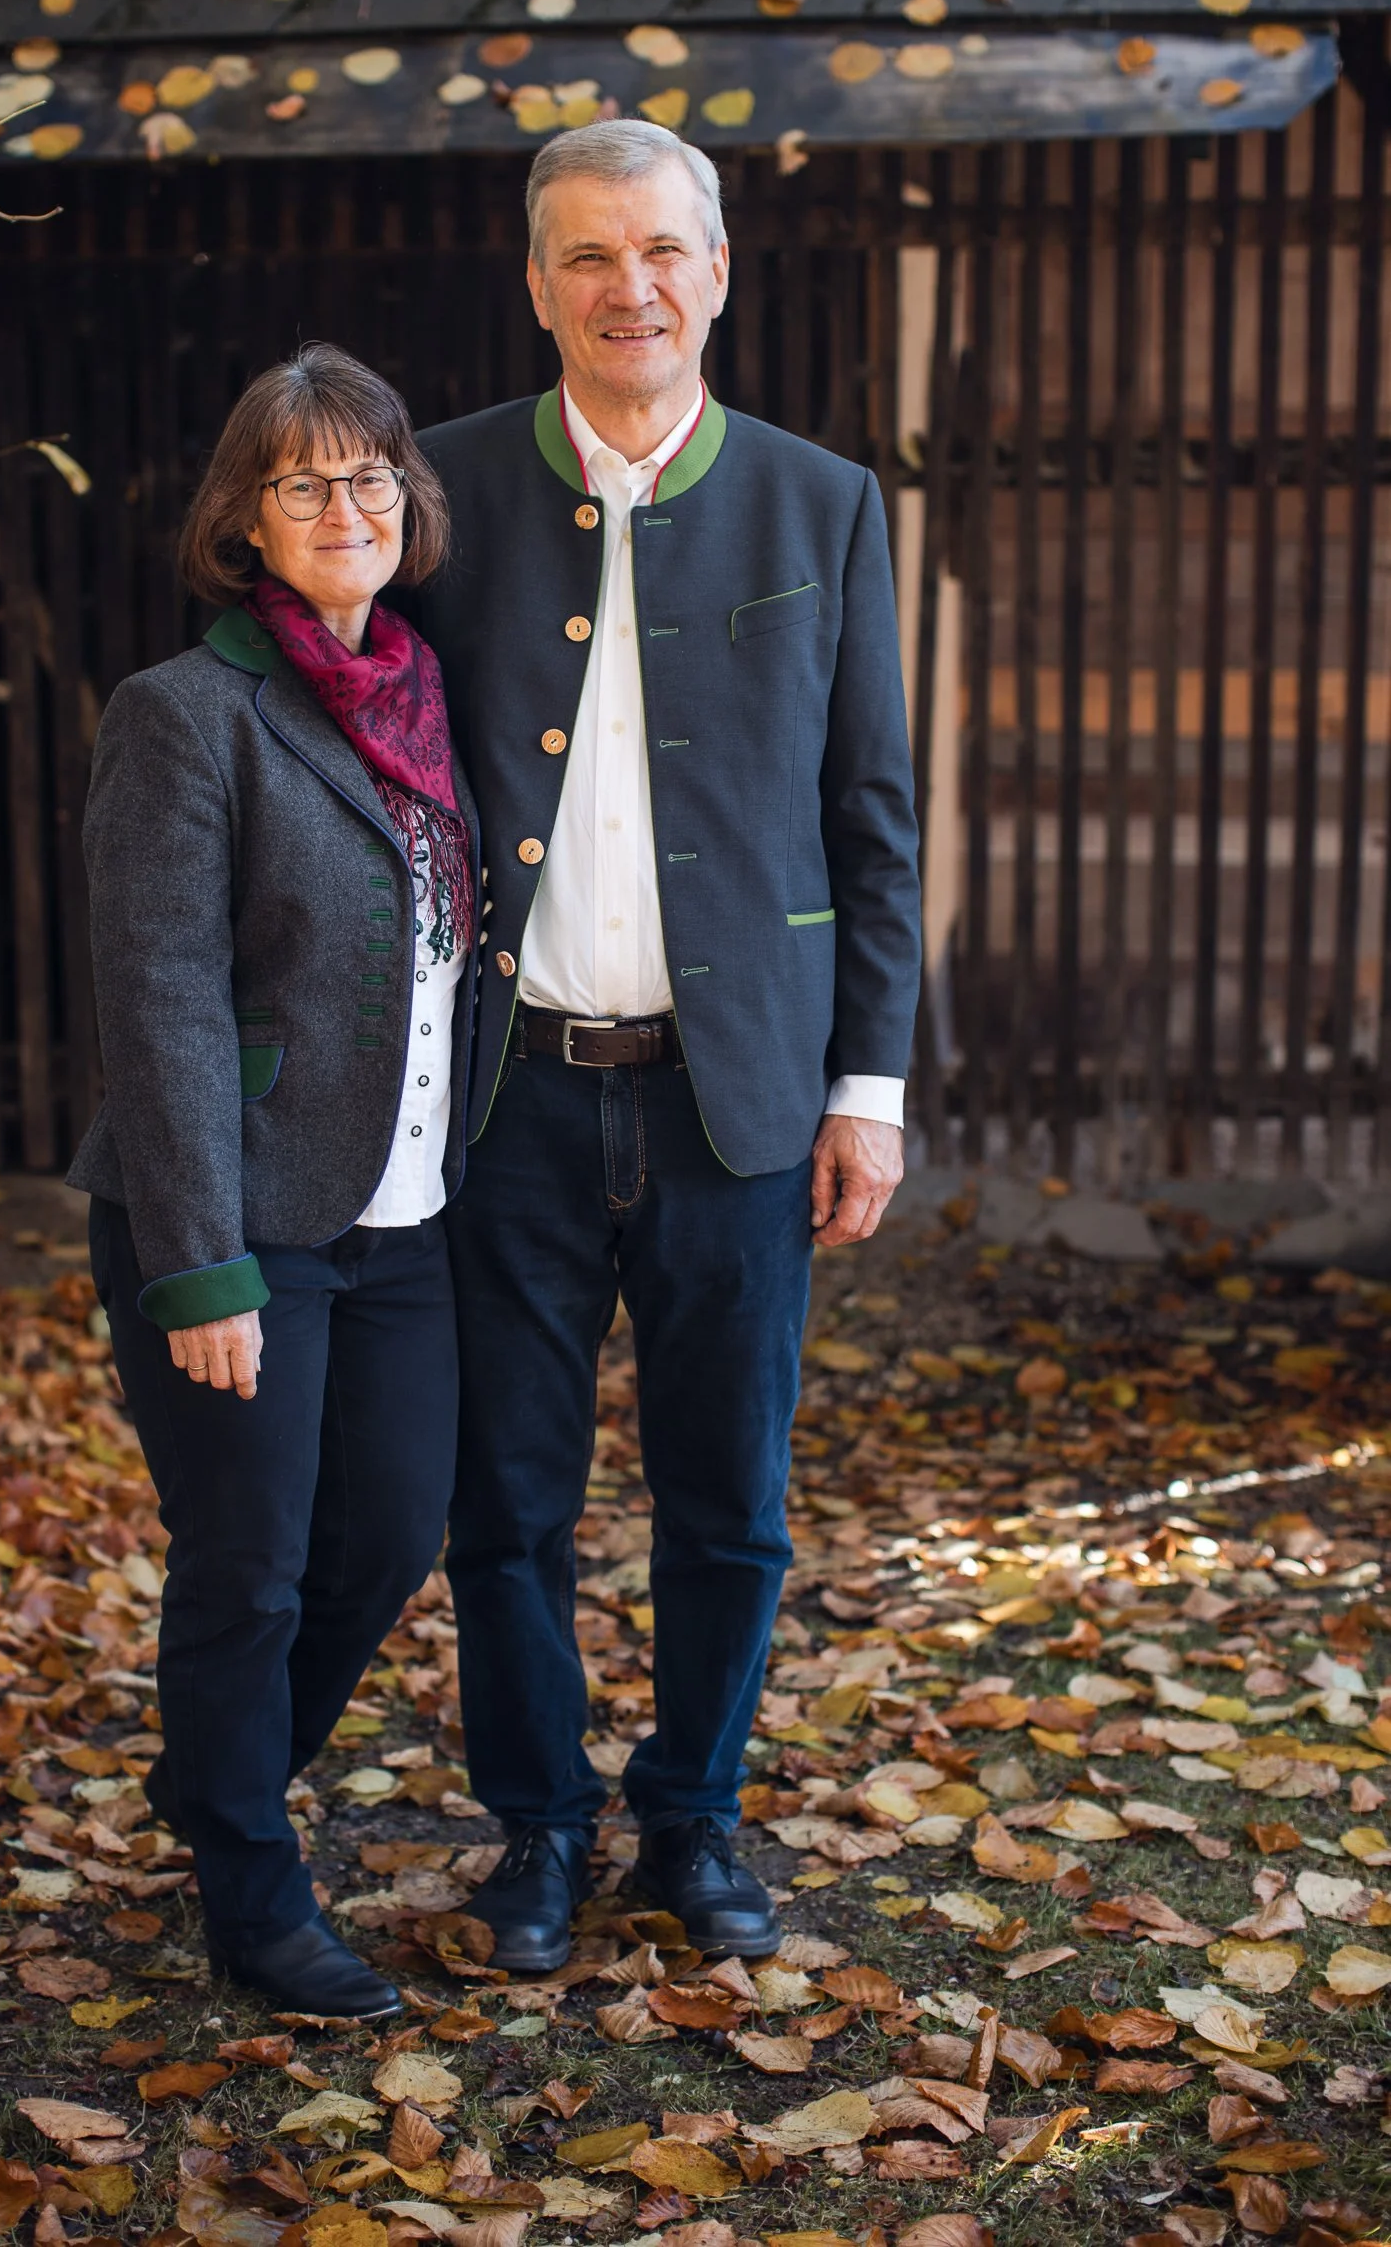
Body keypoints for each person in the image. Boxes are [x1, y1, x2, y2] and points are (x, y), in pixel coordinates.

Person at [410, 119, 921, 1971]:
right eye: (585, 256)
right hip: (508, 1101)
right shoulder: (441, 491)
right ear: (535, 281)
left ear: (716, 271)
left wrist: (864, 1085)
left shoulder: (820, 499)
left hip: (742, 1108)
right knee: (507, 1506)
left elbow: (871, 815)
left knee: (730, 1506)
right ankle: (536, 1833)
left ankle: (694, 1825)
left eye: (661, 252)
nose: (628, 287)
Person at [67, 343, 475, 2015]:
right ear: (244, 520)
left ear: (407, 501)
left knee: (382, 1538)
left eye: (370, 474)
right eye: (303, 481)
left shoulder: (436, 700)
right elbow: (156, 995)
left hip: (406, 1216)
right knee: (247, 1562)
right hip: (240, 1214)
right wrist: (202, 1261)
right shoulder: (186, 715)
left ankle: (211, 1777)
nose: (344, 505)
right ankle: (250, 1886)